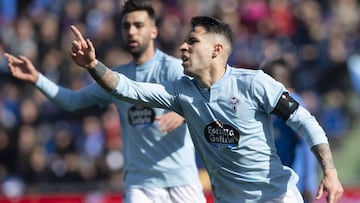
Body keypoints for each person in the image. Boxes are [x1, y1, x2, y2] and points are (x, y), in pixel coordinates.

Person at [4, 1, 206, 203]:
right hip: (140, 186)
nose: (132, 32)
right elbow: (72, 101)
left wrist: (184, 113)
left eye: (138, 25)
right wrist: (36, 78)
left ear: (153, 31)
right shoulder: (117, 77)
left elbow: (206, 100)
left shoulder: (173, 69)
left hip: (181, 182)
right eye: (127, 26)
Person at [265, 59, 318, 203]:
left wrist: (309, 182)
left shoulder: (292, 104)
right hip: (274, 182)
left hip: (293, 183)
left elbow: (307, 144)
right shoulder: (269, 106)